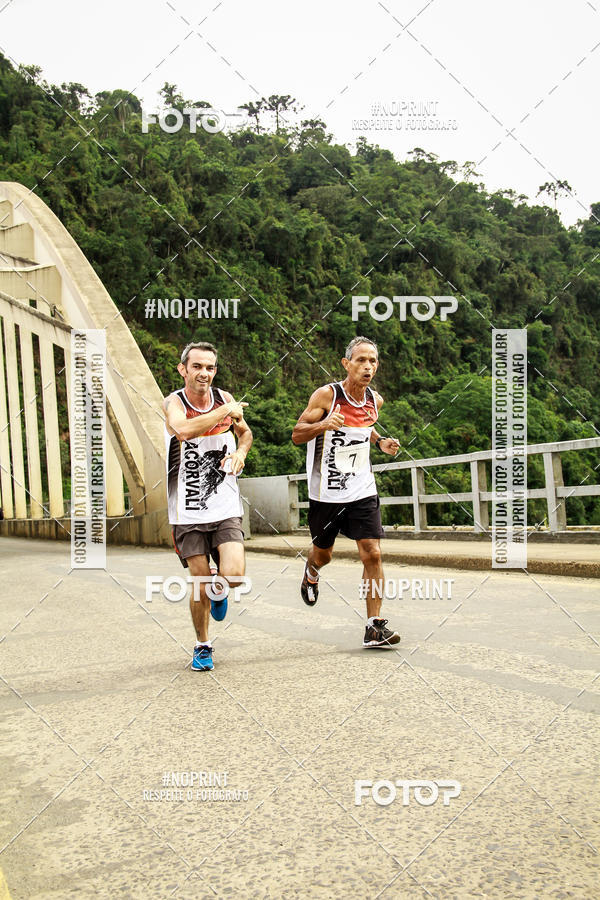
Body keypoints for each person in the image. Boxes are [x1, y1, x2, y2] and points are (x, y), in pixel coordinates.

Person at [291, 336, 401, 648]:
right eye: (361, 360)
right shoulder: (327, 396)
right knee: (324, 554)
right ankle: (312, 570)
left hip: (361, 489)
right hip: (326, 495)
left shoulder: (374, 402)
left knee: (373, 552)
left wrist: (380, 442)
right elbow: (297, 434)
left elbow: (366, 428)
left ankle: (374, 626)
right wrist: (324, 425)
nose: (368, 367)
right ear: (346, 364)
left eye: (373, 361)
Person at [163, 341, 252, 671]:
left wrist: (240, 453)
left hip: (224, 504)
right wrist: (224, 413)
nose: (204, 373)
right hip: (187, 510)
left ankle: (221, 590)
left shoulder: (225, 399)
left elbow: (245, 434)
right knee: (199, 582)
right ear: (183, 369)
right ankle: (203, 645)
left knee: (235, 576)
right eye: (197, 366)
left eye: (210, 368)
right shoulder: (174, 402)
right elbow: (184, 429)